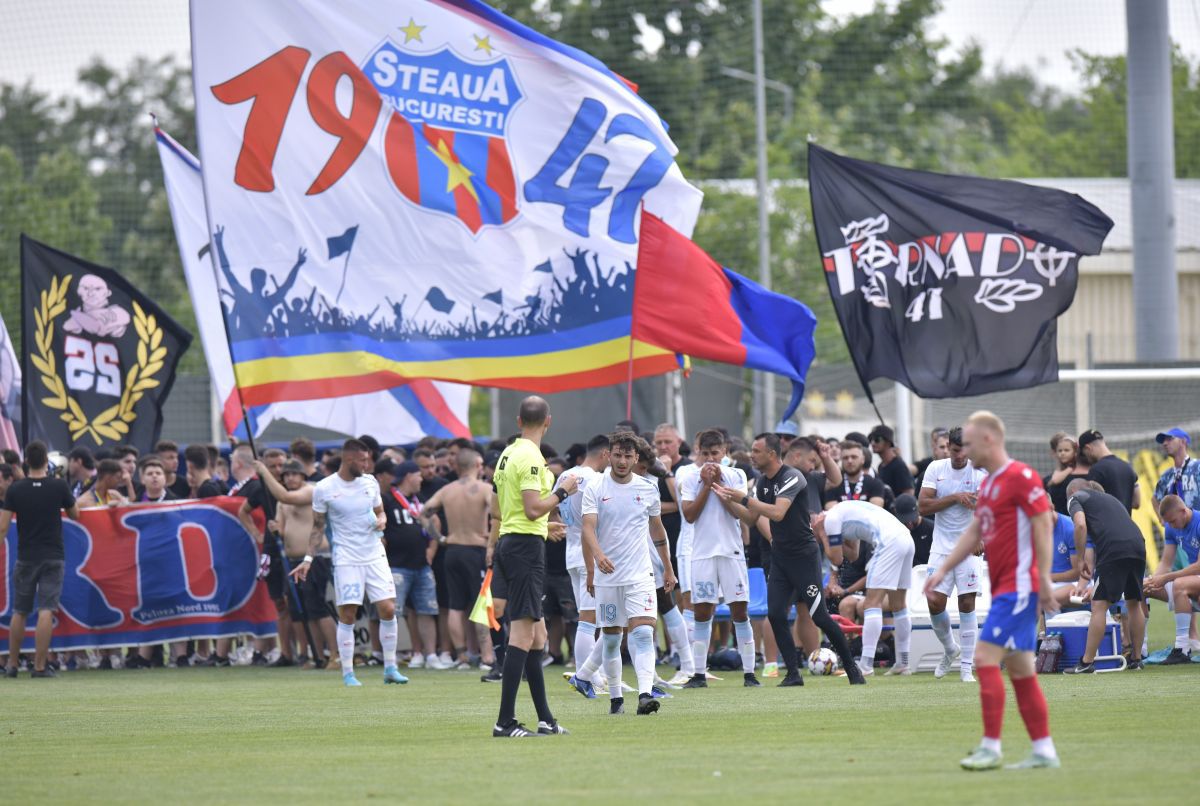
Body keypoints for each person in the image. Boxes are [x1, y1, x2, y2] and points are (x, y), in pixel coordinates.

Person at [925, 411, 1059, 771]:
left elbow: (1043, 525)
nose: (963, 451)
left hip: (1019, 588)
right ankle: (1044, 750)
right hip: (1005, 587)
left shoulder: (1020, 477)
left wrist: (1044, 579)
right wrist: (942, 570)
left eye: (968, 444)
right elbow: (974, 533)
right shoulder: (991, 484)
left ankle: (991, 747)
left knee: (984, 659)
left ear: (988, 440)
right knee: (1021, 671)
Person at [713, 433, 863, 687]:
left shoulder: (793, 476)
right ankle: (793, 673)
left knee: (819, 617)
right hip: (780, 558)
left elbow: (778, 513)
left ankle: (851, 667)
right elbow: (750, 518)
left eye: (756, 451)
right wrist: (726, 499)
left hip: (804, 557)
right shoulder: (762, 482)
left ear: (772, 454)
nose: (752, 455)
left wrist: (743, 498)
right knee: (775, 614)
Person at [489, 396, 574, 738]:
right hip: (524, 550)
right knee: (523, 634)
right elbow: (533, 508)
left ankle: (545, 720)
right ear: (548, 421)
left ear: (518, 420)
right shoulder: (533, 458)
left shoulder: (507, 453)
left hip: (511, 542)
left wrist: (541, 527)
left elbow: (500, 508)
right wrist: (563, 491)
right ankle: (504, 722)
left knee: (538, 637)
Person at [291, 438, 408, 687]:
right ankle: (348, 672)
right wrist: (308, 559)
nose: (367, 465)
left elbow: (380, 511)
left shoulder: (370, 482)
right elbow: (318, 527)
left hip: (374, 554)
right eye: (363, 460)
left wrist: (382, 520)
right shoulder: (324, 488)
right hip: (346, 558)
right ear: (349, 459)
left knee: (388, 608)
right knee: (348, 612)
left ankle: (390, 668)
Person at [577, 431, 673, 715]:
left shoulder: (647, 488)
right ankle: (616, 698)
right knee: (611, 639)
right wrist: (597, 559)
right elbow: (587, 528)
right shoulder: (595, 487)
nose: (621, 461)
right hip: (608, 577)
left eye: (627, 456)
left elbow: (657, 529)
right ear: (608, 455)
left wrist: (668, 567)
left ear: (636, 458)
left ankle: (644, 695)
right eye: (617, 455)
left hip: (640, 575)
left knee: (643, 633)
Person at [679, 429, 759, 688]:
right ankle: (699, 674)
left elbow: (740, 514)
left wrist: (719, 487)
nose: (710, 459)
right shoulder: (690, 477)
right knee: (702, 611)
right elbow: (689, 515)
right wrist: (706, 485)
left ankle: (749, 673)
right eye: (705, 454)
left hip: (731, 551)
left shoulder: (737, 475)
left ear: (725, 452)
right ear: (698, 453)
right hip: (702, 552)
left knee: (740, 610)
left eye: (715, 453)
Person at [2, 441, 79, 678]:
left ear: (26, 462)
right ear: (47, 461)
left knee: (20, 611)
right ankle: (39, 666)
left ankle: (12, 665)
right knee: (46, 609)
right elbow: (75, 514)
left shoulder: (15, 489)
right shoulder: (58, 486)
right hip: (53, 555)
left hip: (26, 556)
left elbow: (3, 526)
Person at [814, 500, 916, 675]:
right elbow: (853, 555)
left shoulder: (830, 522)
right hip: (905, 538)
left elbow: (836, 559)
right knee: (899, 605)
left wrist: (823, 534)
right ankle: (903, 663)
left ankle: (866, 666)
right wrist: (830, 537)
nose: (814, 538)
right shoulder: (841, 515)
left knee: (871, 604)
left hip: (888, 542)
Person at [918, 426, 987, 682]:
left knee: (967, 603)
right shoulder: (936, 469)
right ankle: (950, 649)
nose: (959, 456)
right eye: (955, 450)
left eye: (963, 450)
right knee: (934, 601)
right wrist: (955, 497)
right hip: (941, 547)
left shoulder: (980, 473)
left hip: (969, 546)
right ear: (948, 447)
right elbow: (923, 506)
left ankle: (967, 667)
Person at [419, 449, 495, 670]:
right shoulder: (484, 489)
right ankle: (487, 656)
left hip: (452, 550)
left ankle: (462, 656)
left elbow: (423, 513)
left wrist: (440, 538)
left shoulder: (447, 490)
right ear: (477, 464)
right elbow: (499, 515)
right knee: (481, 603)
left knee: (455, 606)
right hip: (475, 550)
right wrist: (491, 538)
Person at [1064, 479, 1147, 673]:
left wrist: (1080, 558)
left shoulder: (1075, 498)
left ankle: (1086, 663)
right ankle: (1136, 659)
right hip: (1138, 545)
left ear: (1073, 491)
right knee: (1134, 603)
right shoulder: (1111, 499)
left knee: (1098, 605)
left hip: (1114, 548)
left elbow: (1080, 525)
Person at [554, 434, 612, 684]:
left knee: (592, 617)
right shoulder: (597, 480)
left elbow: (555, 507)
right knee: (590, 620)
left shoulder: (565, 476)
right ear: (605, 454)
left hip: (572, 550)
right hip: (592, 553)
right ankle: (586, 675)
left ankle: (598, 674)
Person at [379, 460, 447, 670]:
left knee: (427, 610)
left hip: (422, 566)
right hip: (396, 565)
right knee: (394, 612)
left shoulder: (420, 500)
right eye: (418, 475)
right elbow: (378, 528)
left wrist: (433, 547)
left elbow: (434, 523)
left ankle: (431, 655)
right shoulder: (387, 500)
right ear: (408, 476)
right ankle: (398, 656)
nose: (421, 479)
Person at [272, 459, 337, 669]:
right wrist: (276, 529)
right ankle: (317, 656)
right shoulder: (282, 501)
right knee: (305, 611)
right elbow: (283, 529)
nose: (290, 478)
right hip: (293, 561)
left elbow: (287, 497)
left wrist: (263, 471)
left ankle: (335, 655)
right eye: (287, 474)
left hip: (315, 559)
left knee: (319, 608)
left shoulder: (311, 491)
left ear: (303, 476)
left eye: (294, 474)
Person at [1145, 494, 1200, 663]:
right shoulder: (1171, 527)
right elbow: (1166, 562)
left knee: (1179, 584)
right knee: (1142, 587)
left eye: (1173, 521)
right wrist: (1153, 580)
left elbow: (1198, 566)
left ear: (1183, 511)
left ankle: (1182, 648)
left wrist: (1166, 578)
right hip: (1194, 581)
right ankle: (1139, 651)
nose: (1171, 525)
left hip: (1194, 578)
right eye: (1168, 522)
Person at [1079, 430, 1140, 513]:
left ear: (1088, 448)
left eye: (1084, 454)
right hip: (1126, 520)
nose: (1087, 458)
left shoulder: (1097, 470)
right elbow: (1136, 503)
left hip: (1105, 520)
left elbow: (1091, 504)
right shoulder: (1128, 466)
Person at [824, 441, 885, 509]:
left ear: (863, 459)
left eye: (854, 457)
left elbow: (875, 510)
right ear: (841, 460)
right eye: (845, 458)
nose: (849, 461)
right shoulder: (833, 484)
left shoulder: (875, 483)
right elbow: (832, 511)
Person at [1153, 428, 1200, 513]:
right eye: (1164, 441)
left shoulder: (1197, 467)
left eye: (1170, 439)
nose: (1165, 443)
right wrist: (1163, 519)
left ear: (1183, 441)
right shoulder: (1166, 476)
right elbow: (1155, 499)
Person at [1043, 434, 1089, 515]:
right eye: (1060, 451)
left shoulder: (1082, 474)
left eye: (1066, 450)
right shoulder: (1051, 477)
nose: (1062, 453)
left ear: (1075, 452)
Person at [869, 425, 915, 497]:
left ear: (888, 442)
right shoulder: (881, 466)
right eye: (871, 439)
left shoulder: (899, 465)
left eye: (877, 439)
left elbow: (909, 494)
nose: (873, 443)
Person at [895, 494, 934, 566]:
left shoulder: (932, 529)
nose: (909, 524)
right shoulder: (896, 532)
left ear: (918, 512)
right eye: (905, 521)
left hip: (929, 569)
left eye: (912, 518)